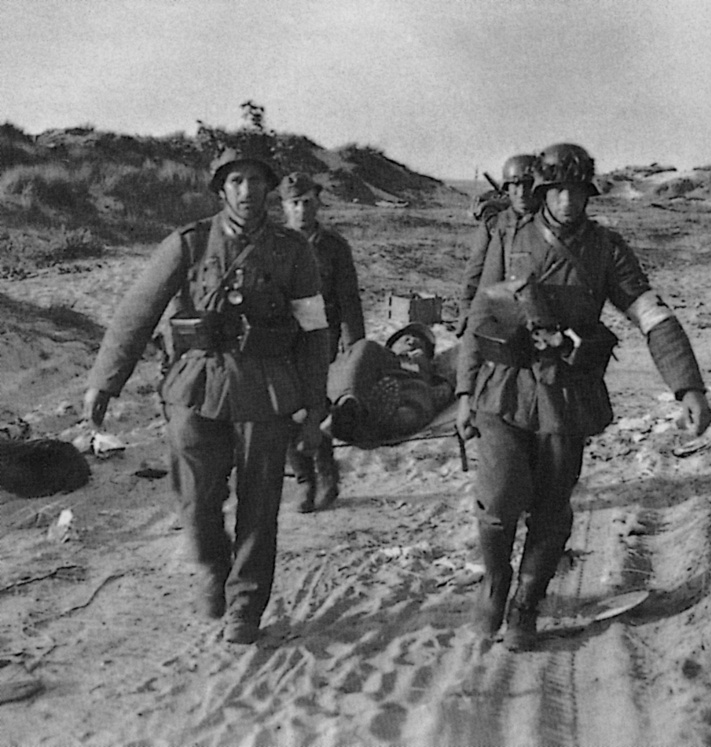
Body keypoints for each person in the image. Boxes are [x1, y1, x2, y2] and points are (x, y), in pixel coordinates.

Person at [456, 142, 711, 650]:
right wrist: (465, 390)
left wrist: (688, 386)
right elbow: (479, 317)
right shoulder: (510, 235)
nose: (568, 201)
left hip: (566, 396)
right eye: (558, 191)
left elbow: (651, 315)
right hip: (505, 388)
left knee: (552, 507)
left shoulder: (606, 249)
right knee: (499, 499)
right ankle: (495, 584)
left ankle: (526, 604)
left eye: (578, 191)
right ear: (543, 191)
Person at [83, 143, 330, 645]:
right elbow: (138, 311)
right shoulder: (190, 243)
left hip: (265, 388)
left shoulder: (292, 250)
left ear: (269, 189)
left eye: (256, 181)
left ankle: (246, 605)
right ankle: (213, 568)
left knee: (260, 505)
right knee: (196, 500)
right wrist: (105, 381)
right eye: (236, 181)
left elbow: (313, 331)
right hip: (197, 385)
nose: (247, 190)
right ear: (221, 189)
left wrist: (313, 404)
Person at [280, 171, 365, 513]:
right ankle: (305, 480)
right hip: (282, 337)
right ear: (284, 207)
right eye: (294, 203)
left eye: (307, 202)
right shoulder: (274, 243)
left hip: (322, 338)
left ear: (317, 204)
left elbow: (348, 299)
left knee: (317, 405)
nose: (302, 210)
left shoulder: (334, 246)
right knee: (286, 409)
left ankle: (326, 473)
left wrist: (355, 348)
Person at [324, 323, 456, 446]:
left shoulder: (429, 371)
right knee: (365, 347)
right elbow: (349, 369)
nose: (412, 341)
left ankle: (369, 424)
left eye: (420, 343)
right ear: (392, 344)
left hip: (407, 396)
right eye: (406, 338)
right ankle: (349, 408)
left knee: (416, 404)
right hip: (371, 388)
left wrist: (426, 369)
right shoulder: (376, 354)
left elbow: (444, 391)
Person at [455, 154, 539, 337]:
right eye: (515, 186)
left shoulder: (551, 226)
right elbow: (475, 270)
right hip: (501, 314)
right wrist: (466, 308)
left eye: (528, 185)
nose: (522, 193)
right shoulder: (496, 224)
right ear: (507, 189)